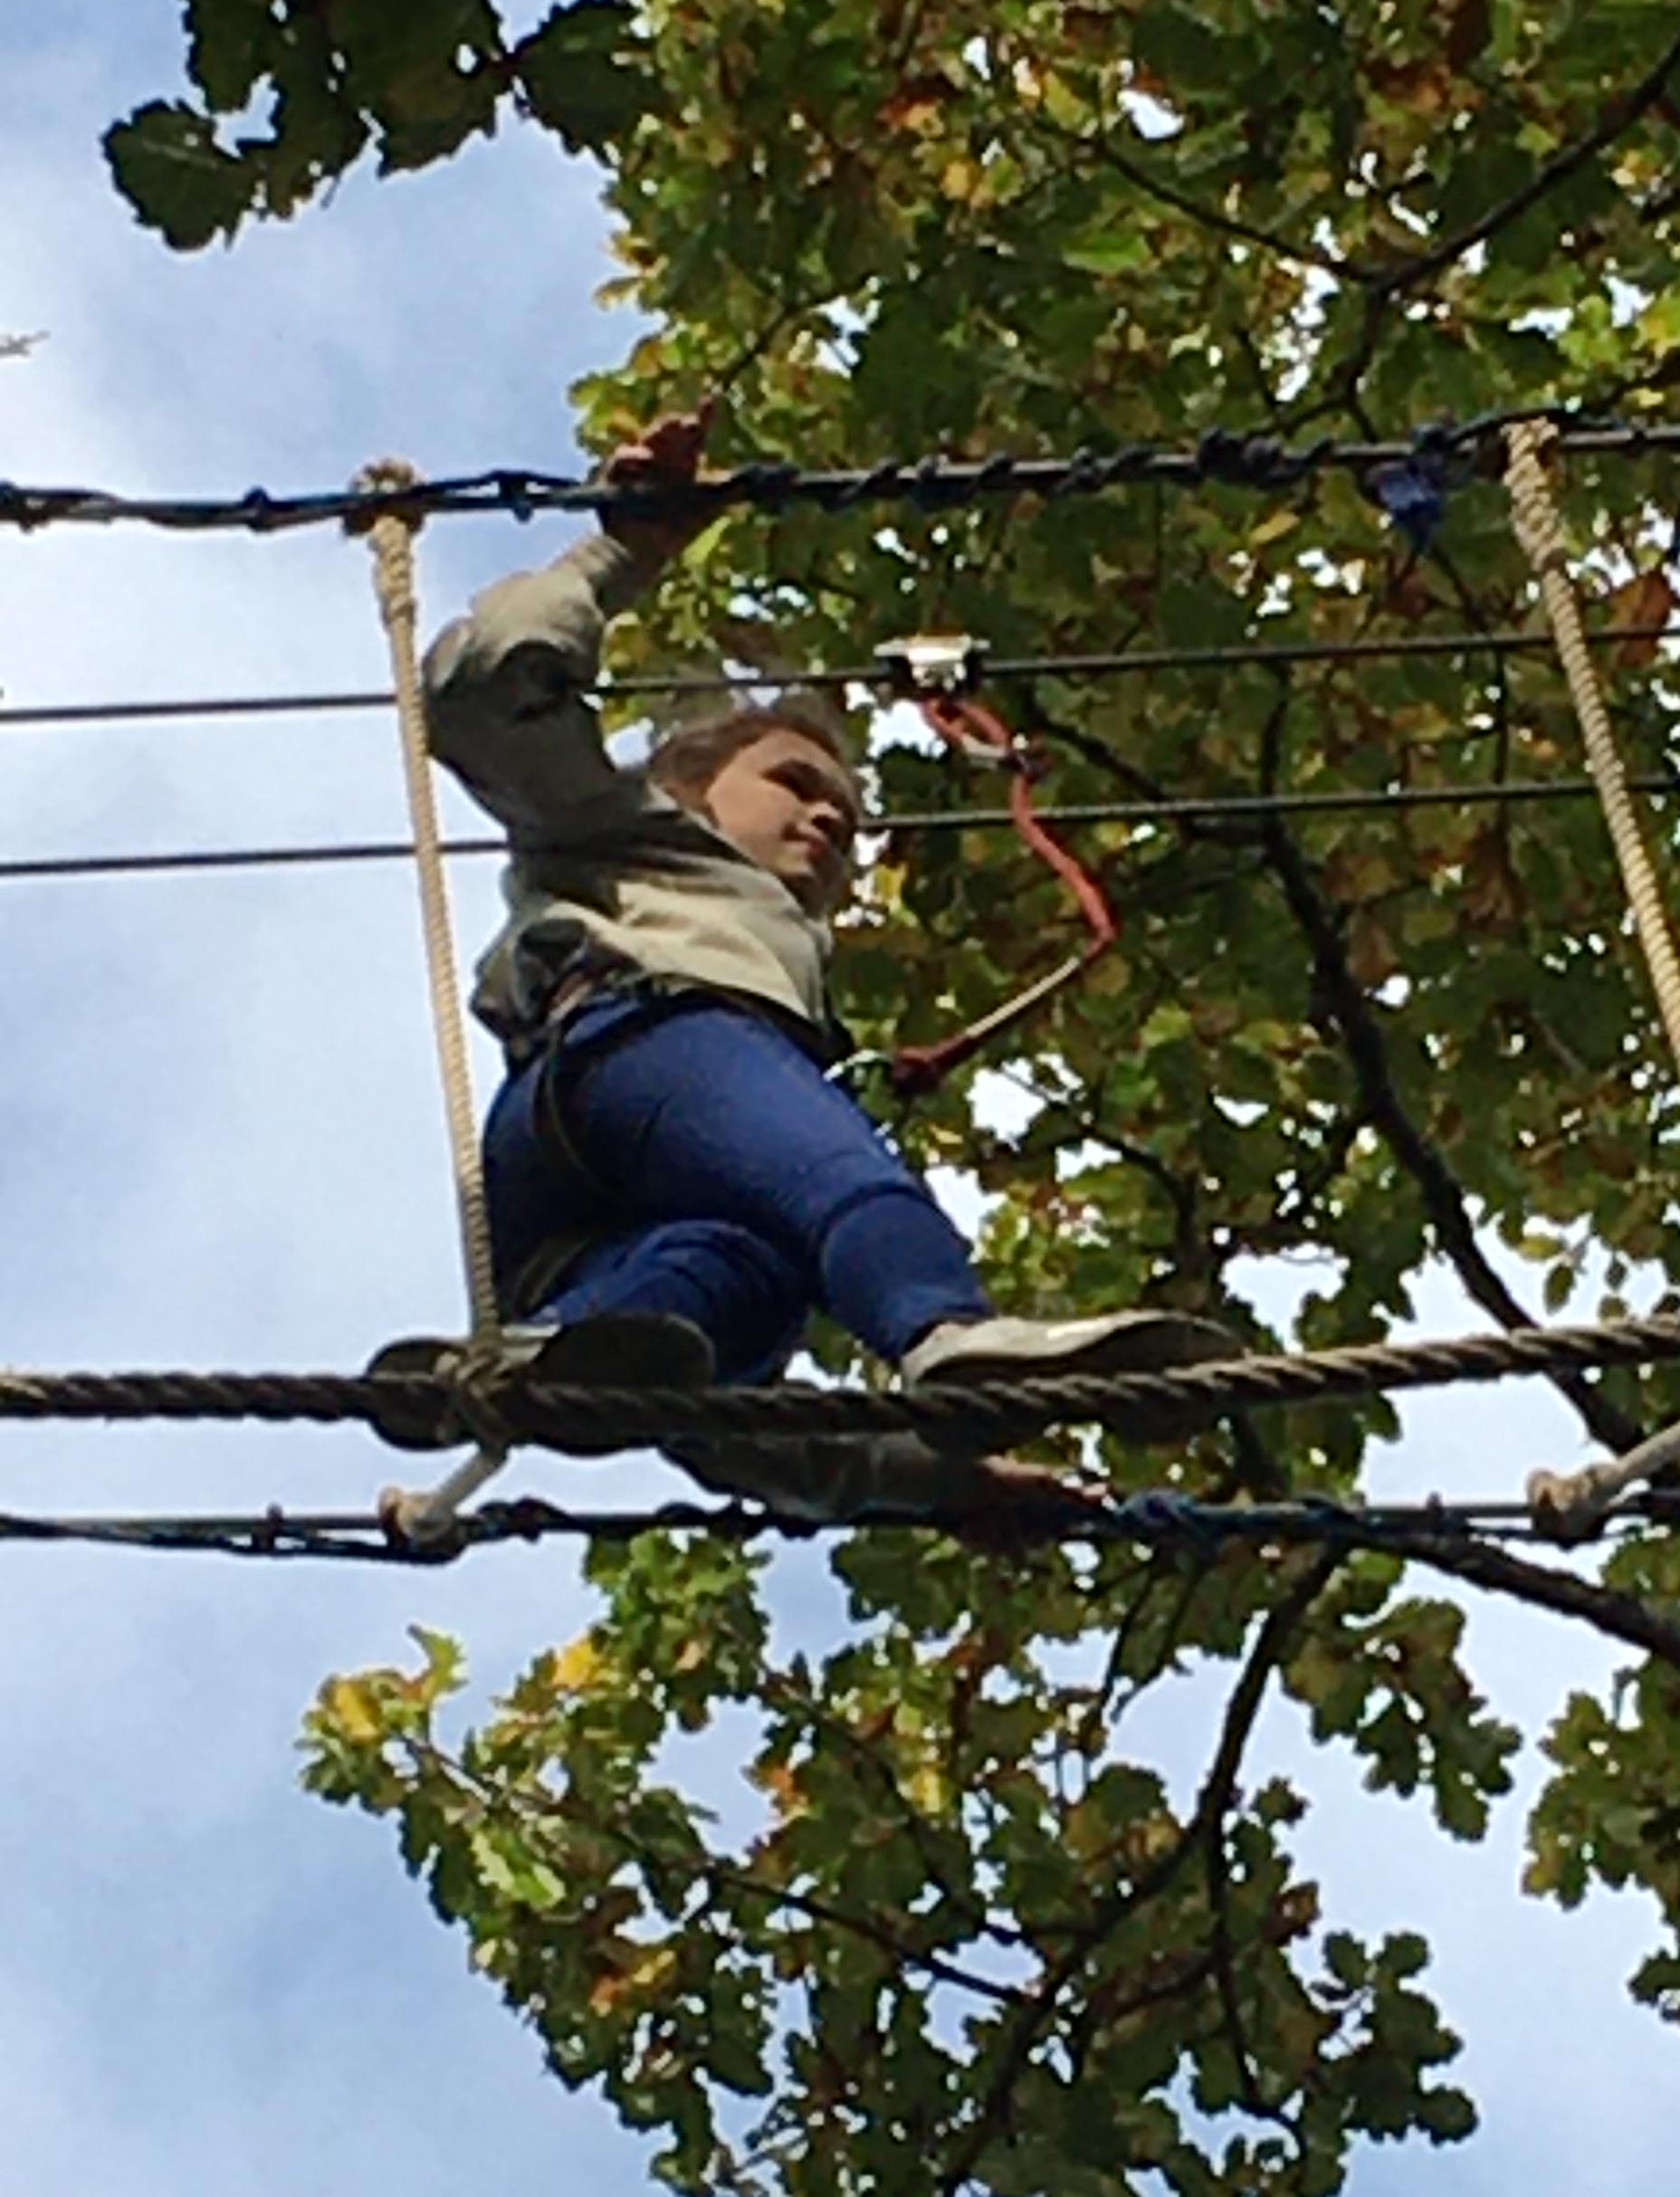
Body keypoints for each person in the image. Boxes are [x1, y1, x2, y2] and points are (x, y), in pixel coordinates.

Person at [371, 406, 1237, 1520]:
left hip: (566, 1224)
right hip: (638, 1045)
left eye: (848, 819)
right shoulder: (611, 823)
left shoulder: (781, 972)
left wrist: (939, 1490)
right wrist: (619, 551)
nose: (829, 823)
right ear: (686, 782)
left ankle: (558, 1360)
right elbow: (480, 690)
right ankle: (945, 1330)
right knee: (839, 1182)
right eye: (795, 785)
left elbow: (744, 1443)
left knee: (737, 1292)